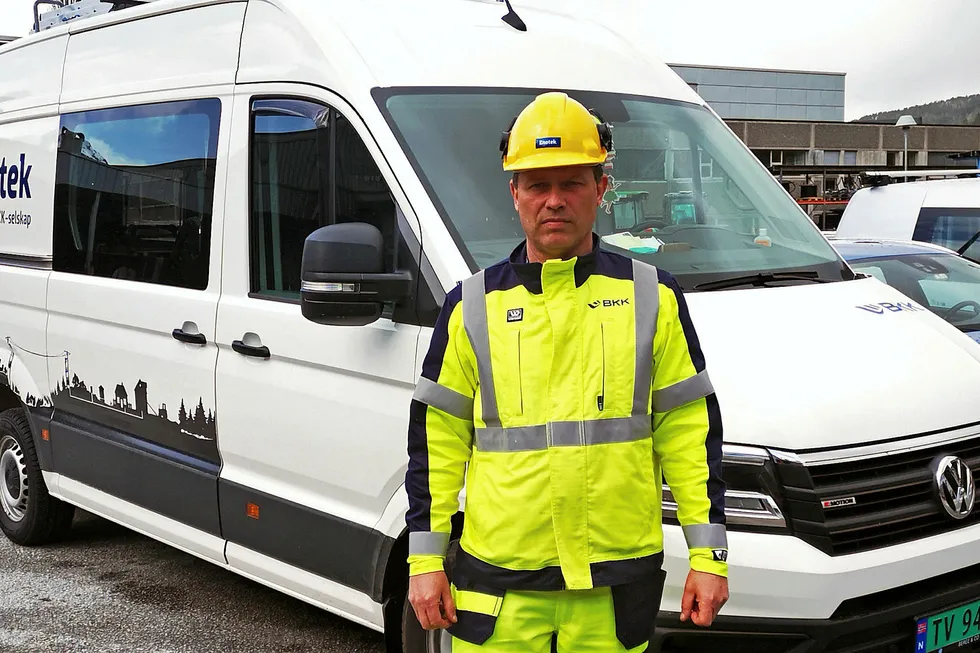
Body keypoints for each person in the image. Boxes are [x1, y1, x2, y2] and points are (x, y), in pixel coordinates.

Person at [405, 91, 728, 652]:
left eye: (572, 183)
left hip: (613, 586)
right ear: (515, 193)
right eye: (537, 184)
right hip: (499, 590)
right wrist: (425, 561)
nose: (554, 201)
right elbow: (437, 443)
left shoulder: (652, 297)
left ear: (601, 188)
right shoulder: (471, 308)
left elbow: (689, 436)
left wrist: (709, 557)